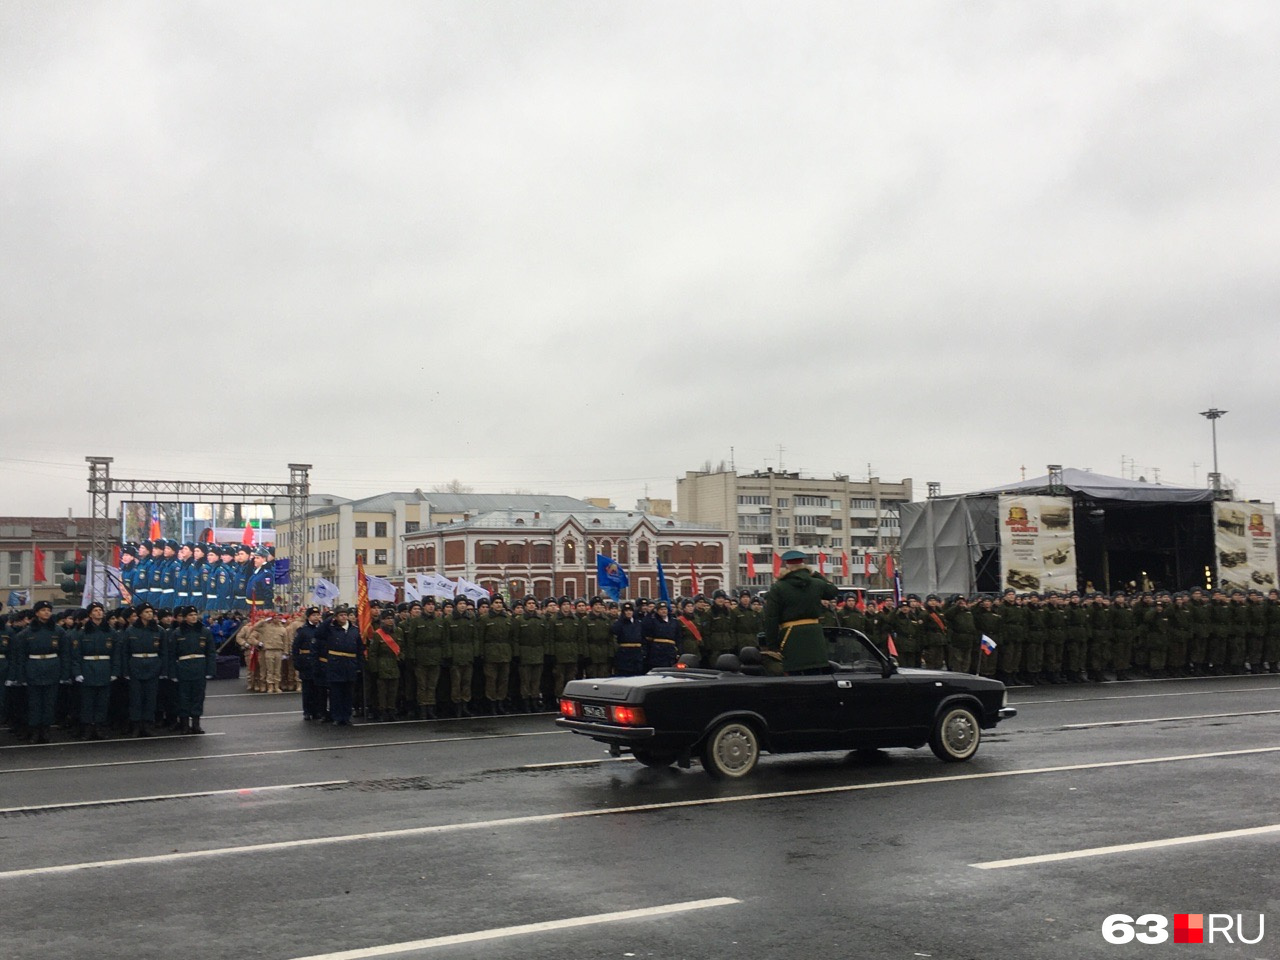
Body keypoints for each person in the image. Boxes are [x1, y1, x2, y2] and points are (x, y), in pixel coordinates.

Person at [762, 549, 838, 675]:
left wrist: (772, 646)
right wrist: (815, 574)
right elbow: (832, 591)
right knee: (816, 674)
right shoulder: (817, 584)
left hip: (790, 637)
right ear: (803, 564)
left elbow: (771, 618)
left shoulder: (778, 587)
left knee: (794, 676)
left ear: (787, 565)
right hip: (815, 636)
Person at [13, 600, 69, 743]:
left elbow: (65, 653)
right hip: (34, 668)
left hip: (52, 668)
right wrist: (21, 677)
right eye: (43, 610)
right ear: (37, 613)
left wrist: (64, 674)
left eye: (48, 610)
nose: (46, 612)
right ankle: (34, 730)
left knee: (49, 702)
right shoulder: (26, 633)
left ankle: (46, 729)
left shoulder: (58, 631)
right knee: (34, 703)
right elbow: (20, 657)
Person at [72, 601, 117, 740]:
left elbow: (116, 654)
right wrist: (77, 672)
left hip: (104, 668)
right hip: (88, 669)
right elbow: (76, 655)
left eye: (100, 610)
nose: (99, 613)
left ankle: (99, 727)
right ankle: (87, 727)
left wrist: (114, 671)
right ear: (90, 614)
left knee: (102, 701)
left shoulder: (110, 632)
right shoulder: (82, 633)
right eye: (96, 610)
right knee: (87, 701)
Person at [168, 605, 216, 733]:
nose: (194, 617)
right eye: (190, 615)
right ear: (184, 618)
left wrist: (210, 670)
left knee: (198, 696)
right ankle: (184, 724)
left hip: (199, 667)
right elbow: (172, 654)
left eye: (195, 614)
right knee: (183, 696)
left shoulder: (204, 631)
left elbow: (211, 652)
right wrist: (172, 672)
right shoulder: (178, 633)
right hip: (183, 667)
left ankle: (196, 723)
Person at [121, 603, 165, 737]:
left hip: (153, 666)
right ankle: (136, 725)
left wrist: (162, 670)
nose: (149, 614)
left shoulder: (159, 630)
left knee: (150, 698)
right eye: (146, 612)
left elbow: (164, 652)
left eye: (151, 612)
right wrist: (125, 671)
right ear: (140, 614)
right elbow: (125, 652)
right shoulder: (131, 631)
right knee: (136, 698)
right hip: (136, 666)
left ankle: (148, 724)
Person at [323, 605, 361, 725]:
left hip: (350, 664)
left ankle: (346, 716)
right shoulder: (331, 629)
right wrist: (330, 619)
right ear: (336, 617)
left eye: (345, 615)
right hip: (336, 664)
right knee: (336, 693)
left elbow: (359, 648)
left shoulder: (354, 630)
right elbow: (319, 633)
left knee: (348, 693)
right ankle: (337, 716)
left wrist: (359, 665)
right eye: (341, 615)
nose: (344, 617)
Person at [610, 601, 645, 676]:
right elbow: (614, 631)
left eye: (630, 610)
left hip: (637, 652)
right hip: (625, 653)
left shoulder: (638, 623)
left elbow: (643, 636)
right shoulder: (620, 623)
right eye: (626, 611)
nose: (628, 612)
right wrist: (621, 619)